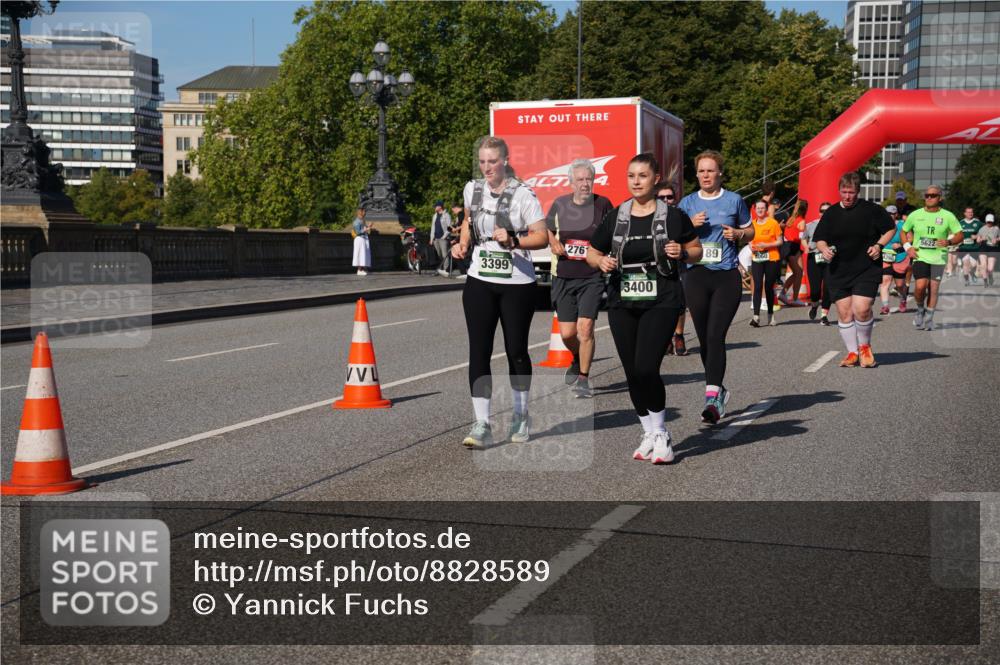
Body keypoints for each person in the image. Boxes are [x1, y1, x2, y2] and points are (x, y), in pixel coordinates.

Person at [587, 153, 701, 464]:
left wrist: (682, 252)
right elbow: (592, 252)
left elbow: (697, 250)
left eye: (642, 176)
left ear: (655, 179)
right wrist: (601, 261)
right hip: (623, 300)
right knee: (631, 373)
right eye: (631, 176)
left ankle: (662, 433)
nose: (636, 181)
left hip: (662, 298)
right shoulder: (616, 217)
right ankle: (648, 431)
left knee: (647, 368)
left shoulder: (673, 216)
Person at [451, 136, 548, 447]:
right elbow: (468, 220)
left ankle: (520, 415)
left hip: (517, 282)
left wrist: (514, 241)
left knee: (516, 350)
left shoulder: (523, 195)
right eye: (482, 161)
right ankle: (482, 423)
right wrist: (463, 243)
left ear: (505, 160)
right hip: (480, 278)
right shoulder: (472, 189)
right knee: (478, 351)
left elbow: (542, 236)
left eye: (492, 161)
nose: (487, 167)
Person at [677, 150, 753, 424]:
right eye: (701, 171)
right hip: (696, 275)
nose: (705, 175)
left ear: (720, 172)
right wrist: (690, 226)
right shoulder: (687, 203)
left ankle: (711, 399)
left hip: (725, 276)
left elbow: (750, 231)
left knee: (715, 334)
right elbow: (676, 239)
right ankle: (718, 389)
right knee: (704, 337)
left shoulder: (734, 200)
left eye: (710, 170)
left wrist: (740, 234)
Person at [546, 158, 614, 398]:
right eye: (580, 180)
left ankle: (584, 378)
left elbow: (613, 233)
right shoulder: (560, 204)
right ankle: (576, 357)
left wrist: (606, 256)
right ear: (571, 182)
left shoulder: (603, 204)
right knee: (567, 334)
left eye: (589, 179)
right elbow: (546, 227)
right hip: (564, 275)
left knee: (585, 329)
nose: (585, 184)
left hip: (591, 276)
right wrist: (553, 242)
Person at [813, 172, 896, 367]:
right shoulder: (831, 213)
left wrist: (879, 245)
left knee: (862, 309)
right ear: (839, 191)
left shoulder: (872, 210)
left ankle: (865, 347)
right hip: (838, 269)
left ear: (858, 191)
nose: (847, 196)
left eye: (851, 192)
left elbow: (890, 228)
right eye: (844, 191)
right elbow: (820, 239)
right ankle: (852, 352)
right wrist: (824, 249)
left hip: (866, 267)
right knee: (844, 313)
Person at [902, 185, 963, 331]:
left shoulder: (948, 216)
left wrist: (949, 242)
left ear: (939, 198)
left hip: (938, 258)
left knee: (933, 289)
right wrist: (908, 248)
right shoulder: (915, 215)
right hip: (920, 256)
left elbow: (960, 234)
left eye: (933, 195)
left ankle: (929, 318)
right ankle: (920, 309)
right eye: (927, 195)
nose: (929, 198)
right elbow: (904, 231)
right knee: (920, 286)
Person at [655, 181, 689, 356]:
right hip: (657, 266)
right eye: (662, 197)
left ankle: (679, 335)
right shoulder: (650, 216)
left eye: (670, 197)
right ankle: (666, 338)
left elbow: (691, 239)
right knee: (660, 303)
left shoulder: (680, 215)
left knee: (679, 303)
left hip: (678, 264)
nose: (667, 200)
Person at [746, 200, 783, 327]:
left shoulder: (773, 223)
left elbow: (780, 241)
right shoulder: (752, 225)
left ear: (766, 210)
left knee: (768, 287)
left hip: (771, 257)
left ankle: (770, 315)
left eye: (762, 208)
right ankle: (756, 317)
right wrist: (750, 245)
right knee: (757, 286)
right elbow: (748, 239)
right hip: (757, 257)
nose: (760, 210)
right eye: (758, 208)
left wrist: (766, 245)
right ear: (755, 210)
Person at [802, 201, 833, 324]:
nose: (824, 213)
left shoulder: (837, 225)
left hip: (830, 259)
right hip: (814, 258)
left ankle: (824, 315)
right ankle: (814, 305)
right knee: (815, 290)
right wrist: (806, 247)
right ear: (819, 212)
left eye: (827, 211)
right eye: (822, 211)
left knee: (828, 287)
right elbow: (803, 238)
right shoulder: (811, 225)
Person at [877, 205, 909, 315]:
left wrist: (900, 244)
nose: (890, 215)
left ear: (896, 215)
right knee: (885, 281)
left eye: (892, 213)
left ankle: (903, 299)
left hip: (899, 256)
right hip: (885, 256)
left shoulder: (902, 225)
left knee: (900, 285)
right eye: (888, 213)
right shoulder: (880, 225)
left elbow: (910, 239)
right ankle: (885, 306)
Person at [778, 198, 807, 305]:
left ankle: (786, 294)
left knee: (798, 273)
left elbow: (789, 232)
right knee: (798, 272)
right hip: (793, 247)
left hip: (788, 247)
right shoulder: (802, 222)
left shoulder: (791, 219)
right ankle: (793, 298)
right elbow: (801, 238)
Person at [957, 207, 982, 286]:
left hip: (974, 248)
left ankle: (972, 273)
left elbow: (984, 232)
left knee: (973, 265)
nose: (970, 214)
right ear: (965, 213)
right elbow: (956, 234)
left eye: (971, 212)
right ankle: (967, 280)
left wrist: (977, 236)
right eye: (968, 212)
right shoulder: (960, 223)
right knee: (966, 264)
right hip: (963, 248)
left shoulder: (978, 223)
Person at [430, 200, 453, 277]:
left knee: (445, 255)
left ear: (440, 207)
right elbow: (433, 227)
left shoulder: (446, 215)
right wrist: (431, 238)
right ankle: (441, 269)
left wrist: (444, 236)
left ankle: (446, 271)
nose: (434, 208)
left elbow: (450, 227)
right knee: (439, 255)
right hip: (436, 239)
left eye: (436, 206)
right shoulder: (434, 216)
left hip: (443, 238)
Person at [976, 213, 999, 286]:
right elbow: (978, 239)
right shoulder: (982, 229)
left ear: (993, 221)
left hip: (993, 249)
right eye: (988, 222)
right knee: (983, 265)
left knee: (990, 269)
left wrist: (997, 239)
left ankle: (990, 276)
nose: (989, 223)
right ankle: (985, 281)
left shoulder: (996, 228)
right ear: (986, 221)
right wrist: (979, 239)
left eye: (991, 222)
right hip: (983, 248)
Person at [351, 207, 373, 276]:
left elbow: (364, 228)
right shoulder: (357, 221)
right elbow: (358, 232)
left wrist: (368, 226)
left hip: (364, 238)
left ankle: (363, 269)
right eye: (364, 211)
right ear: (360, 212)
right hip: (359, 239)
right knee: (360, 254)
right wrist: (366, 229)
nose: (365, 213)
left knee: (364, 254)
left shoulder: (362, 220)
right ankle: (359, 269)